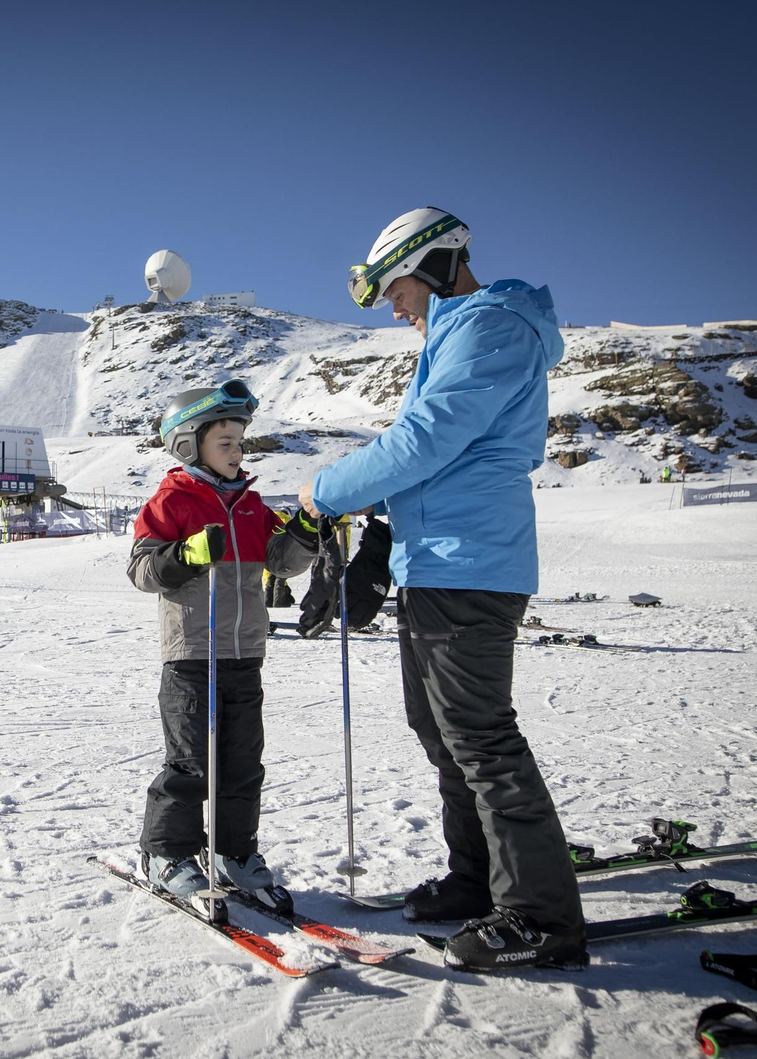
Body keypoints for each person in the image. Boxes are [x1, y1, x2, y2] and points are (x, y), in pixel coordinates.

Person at [299, 208, 587, 972]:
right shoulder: (455, 334)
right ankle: (479, 879)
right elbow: (427, 463)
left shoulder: (491, 328)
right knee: (439, 732)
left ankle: (541, 918)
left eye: (397, 291)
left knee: (482, 740)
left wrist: (324, 491)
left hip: (472, 563)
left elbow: (424, 441)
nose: (396, 309)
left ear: (433, 264)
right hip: (432, 565)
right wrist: (379, 545)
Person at [127, 379, 320, 911]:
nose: (237, 452)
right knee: (192, 763)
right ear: (189, 445)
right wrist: (186, 554)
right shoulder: (172, 501)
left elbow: (283, 563)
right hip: (192, 655)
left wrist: (307, 529)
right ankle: (166, 854)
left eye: (240, 442)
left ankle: (233, 852)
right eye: (225, 442)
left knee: (242, 763)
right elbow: (141, 570)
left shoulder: (253, 507)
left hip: (245, 655)